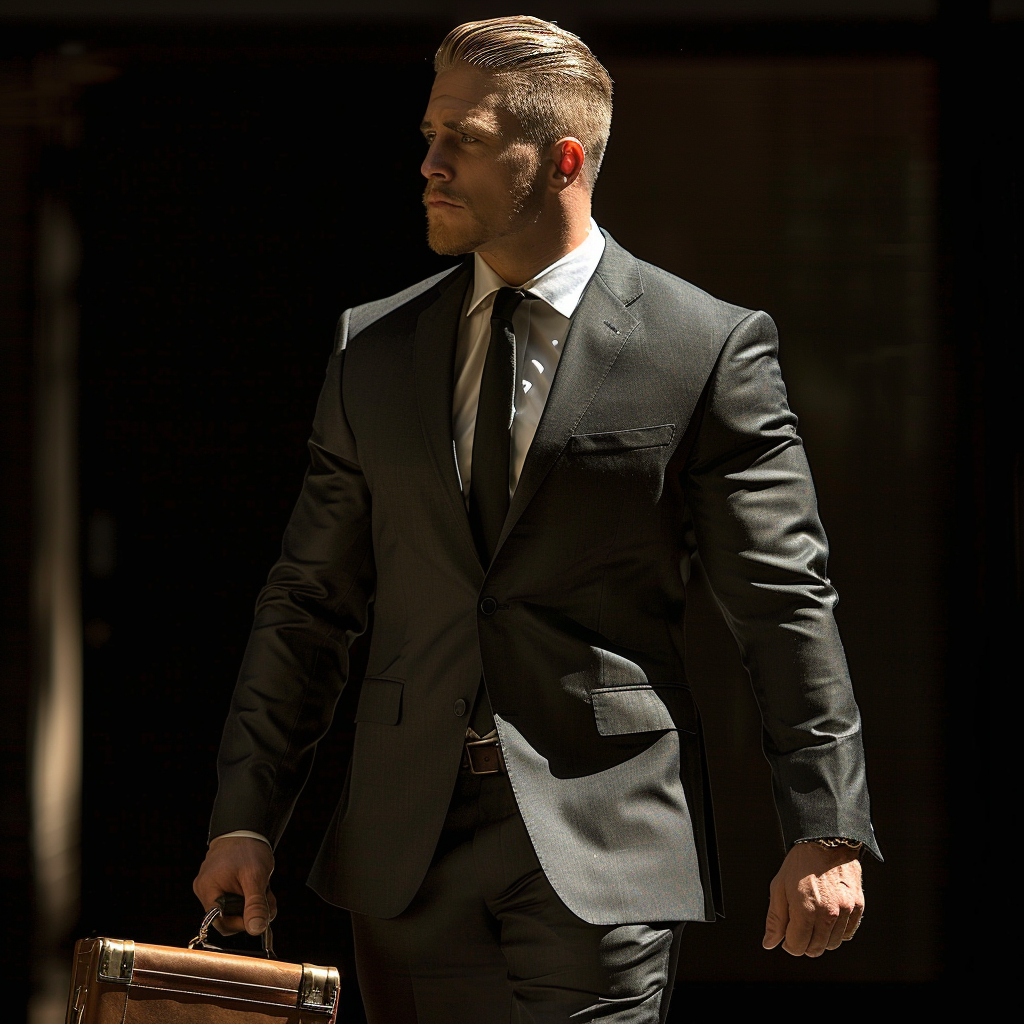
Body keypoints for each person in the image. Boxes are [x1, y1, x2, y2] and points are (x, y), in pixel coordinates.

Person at [193, 15, 880, 1023]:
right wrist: (246, 816)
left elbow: (780, 599)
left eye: (463, 140)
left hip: (602, 837)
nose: (429, 162)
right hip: (404, 845)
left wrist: (826, 826)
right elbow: (308, 601)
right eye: (429, 134)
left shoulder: (707, 346)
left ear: (562, 159)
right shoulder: (372, 349)